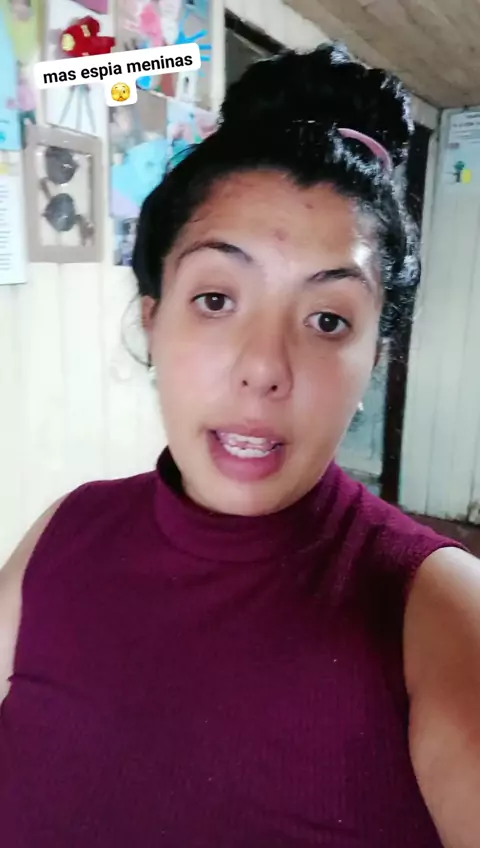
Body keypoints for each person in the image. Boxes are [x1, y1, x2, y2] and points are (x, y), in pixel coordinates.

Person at [1, 44, 480, 848]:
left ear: (374, 360)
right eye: (217, 299)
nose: (264, 368)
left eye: (327, 320)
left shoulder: (437, 612)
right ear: (152, 319)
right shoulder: (63, 535)